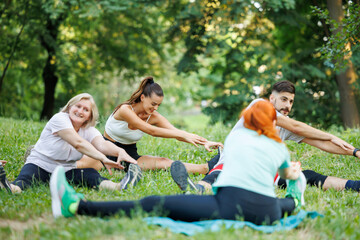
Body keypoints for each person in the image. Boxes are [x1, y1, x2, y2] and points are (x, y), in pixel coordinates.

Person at [50, 100, 307, 225]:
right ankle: (294, 200)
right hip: (268, 213)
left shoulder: (236, 136)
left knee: (153, 203)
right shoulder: (279, 146)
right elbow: (284, 171)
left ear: (246, 119)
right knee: (281, 202)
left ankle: (78, 207)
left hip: (229, 205)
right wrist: (293, 173)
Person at [172, 80, 360, 193]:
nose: (288, 105)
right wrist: (331, 135)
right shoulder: (259, 105)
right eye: (284, 99)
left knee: (307, 176)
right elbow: (296, 125)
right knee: (219, 172)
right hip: (233, 161)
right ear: (272, 98)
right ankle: (196, 189)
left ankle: (354, 186)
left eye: (291, 101)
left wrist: (354, 151)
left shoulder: (284, 126)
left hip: (261, 171)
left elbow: (321, 143)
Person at [77, 76, 223, 174]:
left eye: (158, 105)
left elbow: (176, 133)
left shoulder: (154, 117)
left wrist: (205, 141)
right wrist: (183, 134)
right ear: (142, 97)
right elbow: (150, 131)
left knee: (164, 162)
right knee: (81, 166)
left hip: (130, 155)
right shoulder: (125, 110)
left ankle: (207, 168)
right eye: (153, 104)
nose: (155, 108)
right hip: (105, 150)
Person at [0, 93, 141, 194]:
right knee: (23, 182)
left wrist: (120, 152)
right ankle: (7, 186)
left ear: (90, 116)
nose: (80, 111)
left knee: (91, 174)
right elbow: (78, 143)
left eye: (86, 110)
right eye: (78, 106)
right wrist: (103, 159)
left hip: (65, 170)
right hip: (40, 164)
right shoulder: (60, 119)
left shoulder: (88, 130)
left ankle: (119, 186)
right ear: (69, 107)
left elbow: (102, 144)